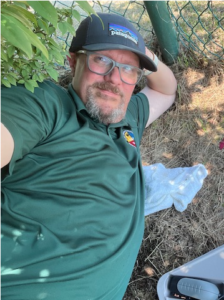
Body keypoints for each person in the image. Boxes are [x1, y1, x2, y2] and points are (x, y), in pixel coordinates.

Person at [0, 12, 177, 299]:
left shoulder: (128, 115)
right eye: (102, 60)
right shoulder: (47, 106)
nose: (114, 79)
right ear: (73, 61)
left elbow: (167, 90)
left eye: (129, 69)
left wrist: (142, 52)